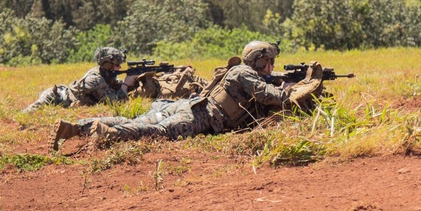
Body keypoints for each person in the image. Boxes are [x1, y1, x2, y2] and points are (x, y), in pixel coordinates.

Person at [51, 41, 325, 150]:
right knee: (154, 132)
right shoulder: (246, 74)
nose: (273, 67)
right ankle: (105, 133)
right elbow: (270, 97)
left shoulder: (241, 72)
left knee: (138, 119)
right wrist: (287, 88)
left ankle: (76, 128)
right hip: (197, 116)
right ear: (260, 61)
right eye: (269, 62)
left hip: (183, 105)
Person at [22, 47, 139, 113]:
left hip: (65, 98)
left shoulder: (105, 75)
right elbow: (115, 102)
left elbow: (115, 86)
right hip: (56, 97)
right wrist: (125, 85)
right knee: (27, 114)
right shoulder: (96, 80)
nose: (119, 68)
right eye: (117, 65)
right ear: (108, 65)